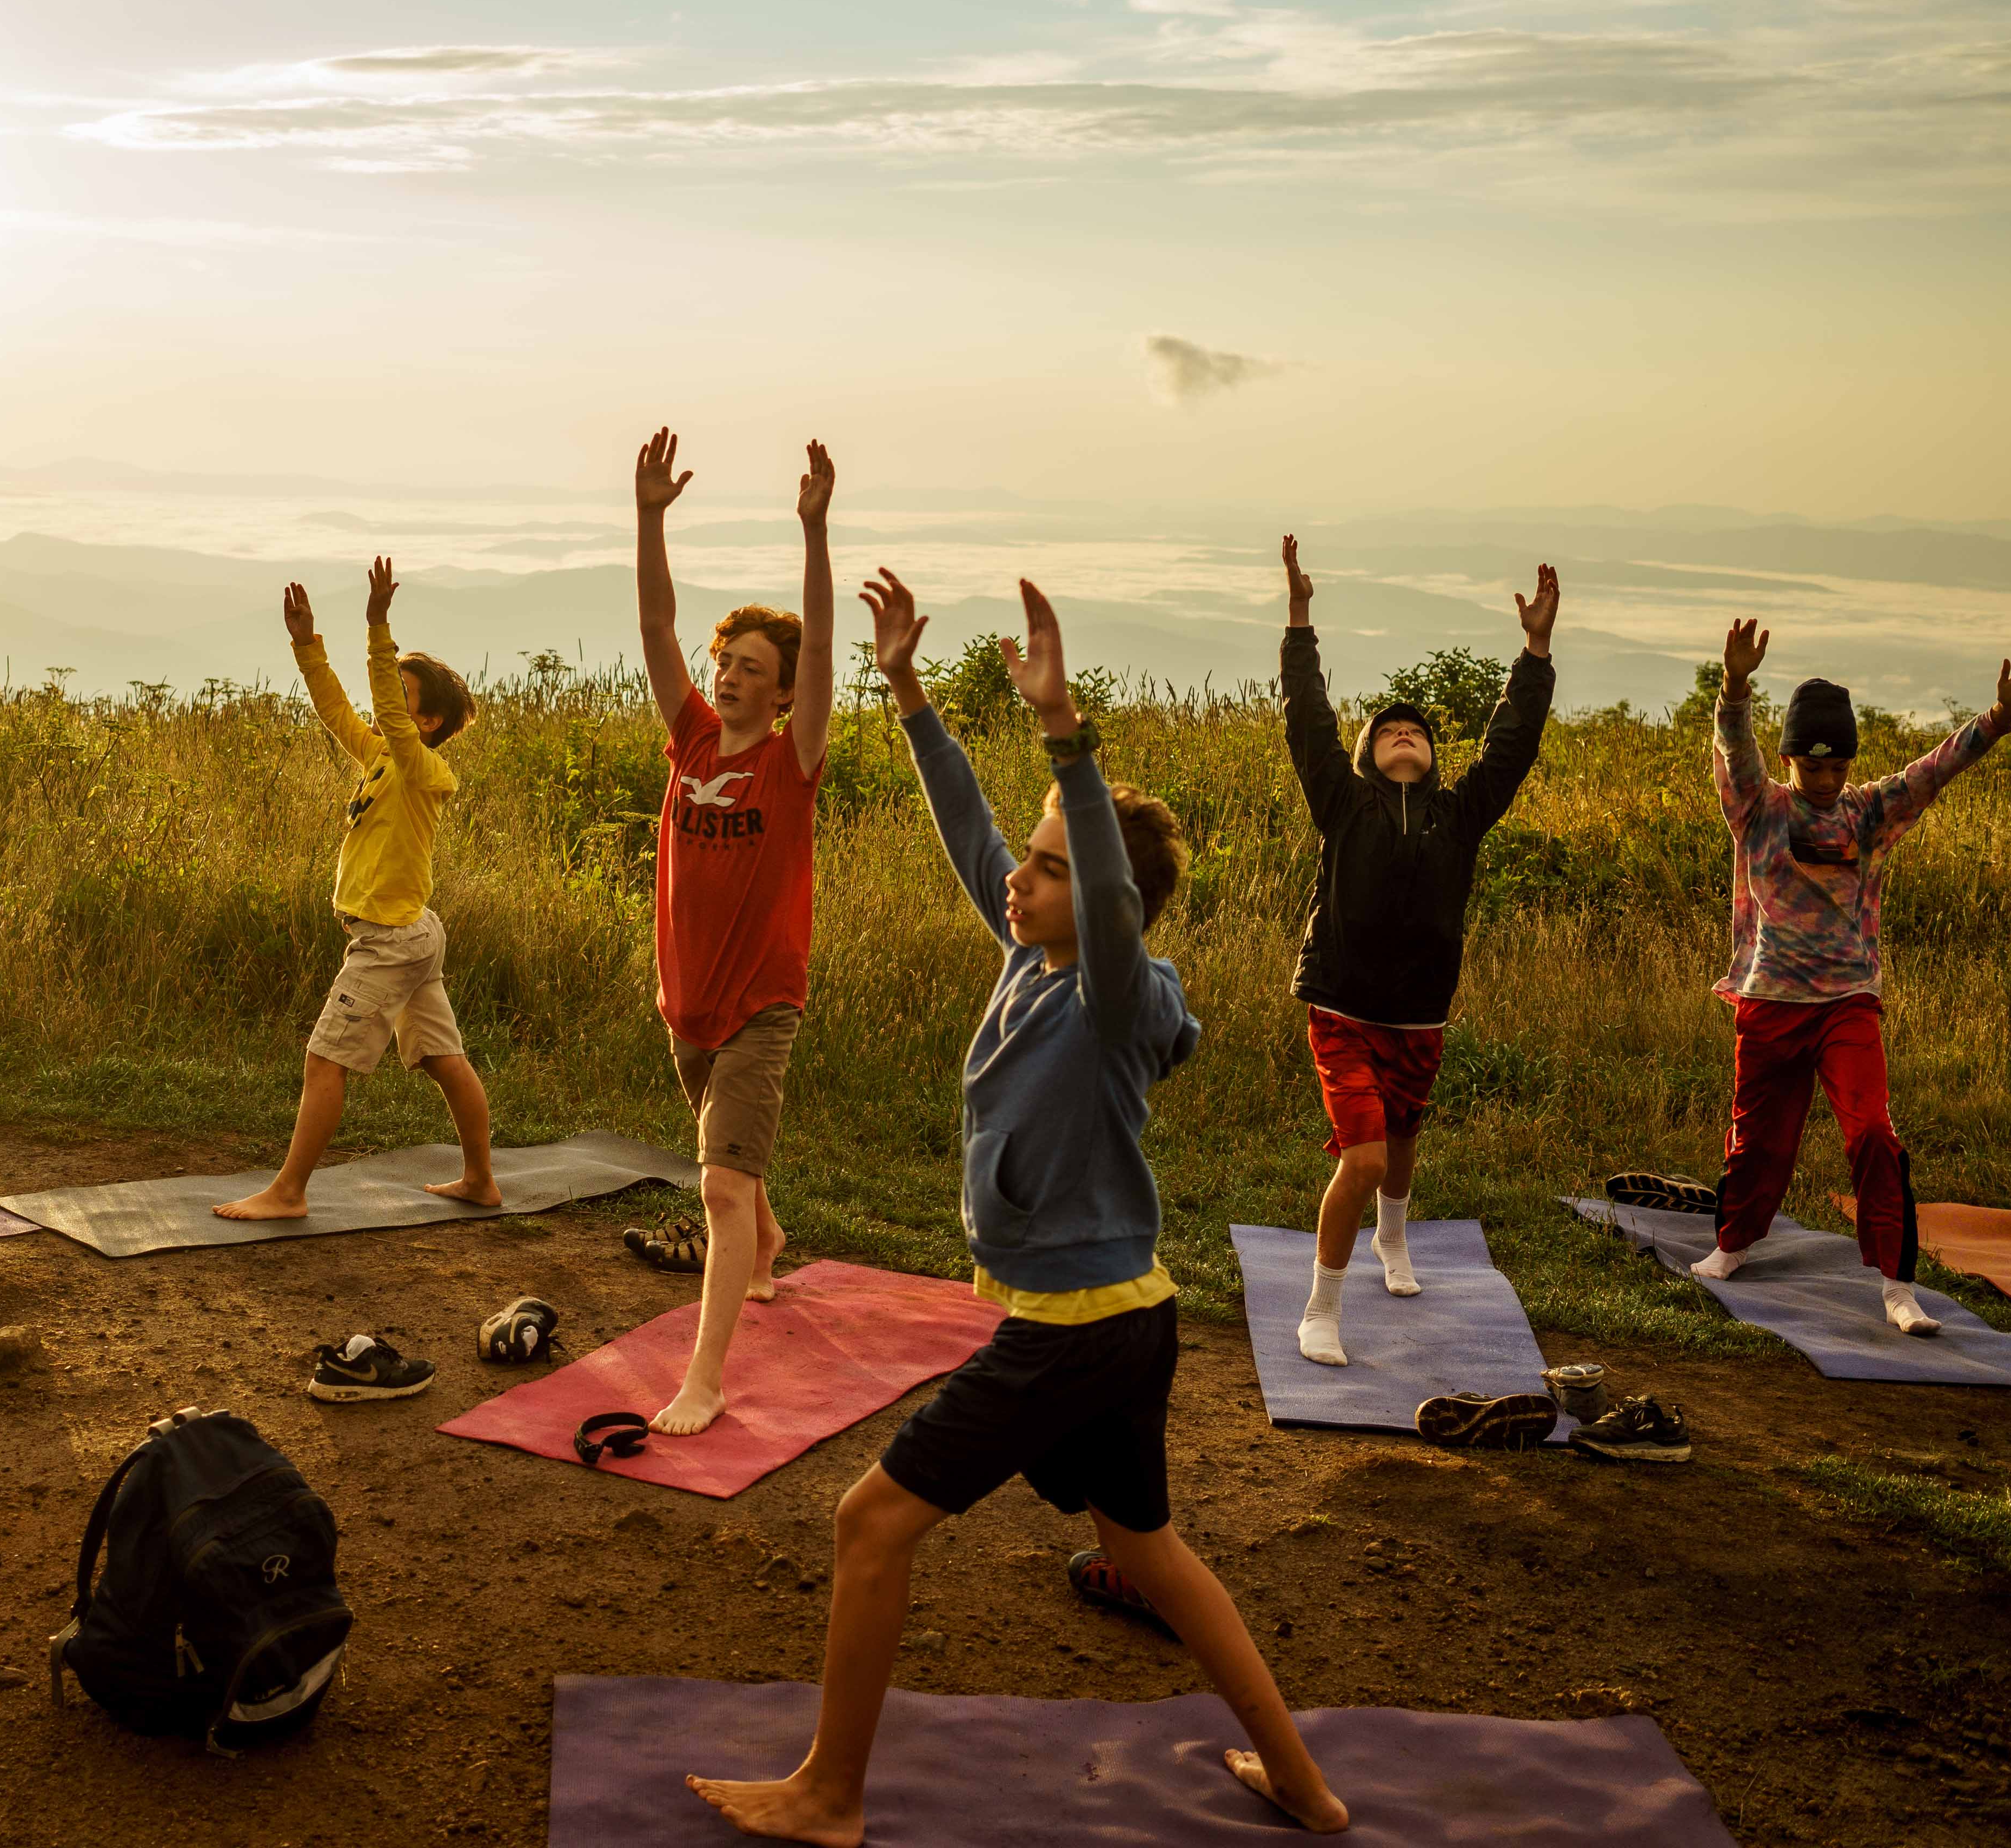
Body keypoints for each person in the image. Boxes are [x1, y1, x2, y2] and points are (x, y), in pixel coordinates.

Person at [686, 571, 1345, 1845]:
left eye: (1045, 868)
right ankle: (1305, 1789)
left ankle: (830, 1792)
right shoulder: (1029, 950)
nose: (1018, 878)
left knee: (870, 1520)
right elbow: (969, 833)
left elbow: (1095, 884)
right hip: (1123, 1318)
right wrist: (907, 691)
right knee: (1148, 1550)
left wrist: (1066, 736)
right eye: (1029, 861)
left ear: (1102, 903)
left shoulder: (1111, 994)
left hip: (1077, 1331)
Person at [1695, 619, 2011, 1332]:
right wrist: (1734, 686)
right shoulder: (1759, 809)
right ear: (1791, 758)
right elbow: (1735, 747)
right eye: (1811, 766)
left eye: (1838, 767)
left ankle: (1897, 1284)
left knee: (1872, 1135)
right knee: (1761, 1142)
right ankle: (1734, 1245)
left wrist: (2002, 717)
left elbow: (1937, 767)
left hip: (1847, 1006)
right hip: (1769, 1002)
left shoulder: (1870, 812)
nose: (1825, 781)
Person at [1277, 536, 1557, 1367]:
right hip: (1342, 1008)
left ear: (1432, 759)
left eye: (1417, 732)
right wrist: (1300, 618)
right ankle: (1320, 1311)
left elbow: (1511, 743)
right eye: (1389, 731)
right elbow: (1306, 716)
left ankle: (1392, 1243)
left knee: (1403, 1135)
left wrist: (1535, 651)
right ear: (1368, 757)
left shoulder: (1459, 815)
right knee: (1361, 1155)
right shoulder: (1346, 805)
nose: (1404, 736)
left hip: (1421, 1013)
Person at [631, 428, 835, 1434]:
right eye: (728, 662)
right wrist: (651, 517)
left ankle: (704, 1379)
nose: (730, 675)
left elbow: (825, 648)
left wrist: (816, 532)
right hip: (688, 1001)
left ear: (787, 690)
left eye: (752, 667)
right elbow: (659, 623)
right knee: (734, 1173)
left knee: (716, 1182)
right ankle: (767, 1241)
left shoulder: (792, 760)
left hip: (762, 1000)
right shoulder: (692, 737)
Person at [216, 557, 492, 1222]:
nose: (387, 704)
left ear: (426, 723)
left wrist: (378, 628)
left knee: (324, 1060)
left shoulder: (424, 768)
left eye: (401, 696)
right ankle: (481, 1179)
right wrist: (307, 644)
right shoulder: (382, 759)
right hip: (412, 932)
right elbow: (338, 709)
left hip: (390, 942)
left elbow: (388, 721)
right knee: (442, 1056)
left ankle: (288, 1192)